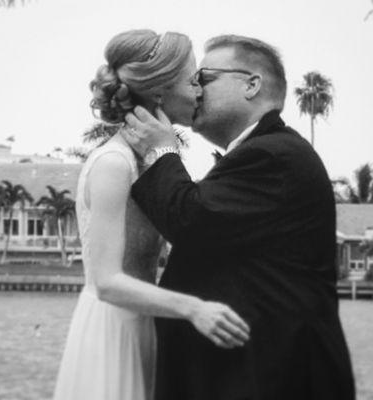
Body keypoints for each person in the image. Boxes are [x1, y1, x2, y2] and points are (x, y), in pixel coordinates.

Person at [123, 35, 356, 400]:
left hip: (269, 377)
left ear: (251, 84)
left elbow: (190, 220)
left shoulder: (274, 156)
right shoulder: (258, 153)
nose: (195, 89)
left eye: (205, 77)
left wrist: (162, 150)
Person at [53, 30, 250, 400]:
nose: (199, 91)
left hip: (145, 325)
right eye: (193, 80)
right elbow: (107, 281)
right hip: (112, 332)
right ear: (160, 91)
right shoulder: (114, 163)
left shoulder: (154, 159)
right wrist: (195, 309)